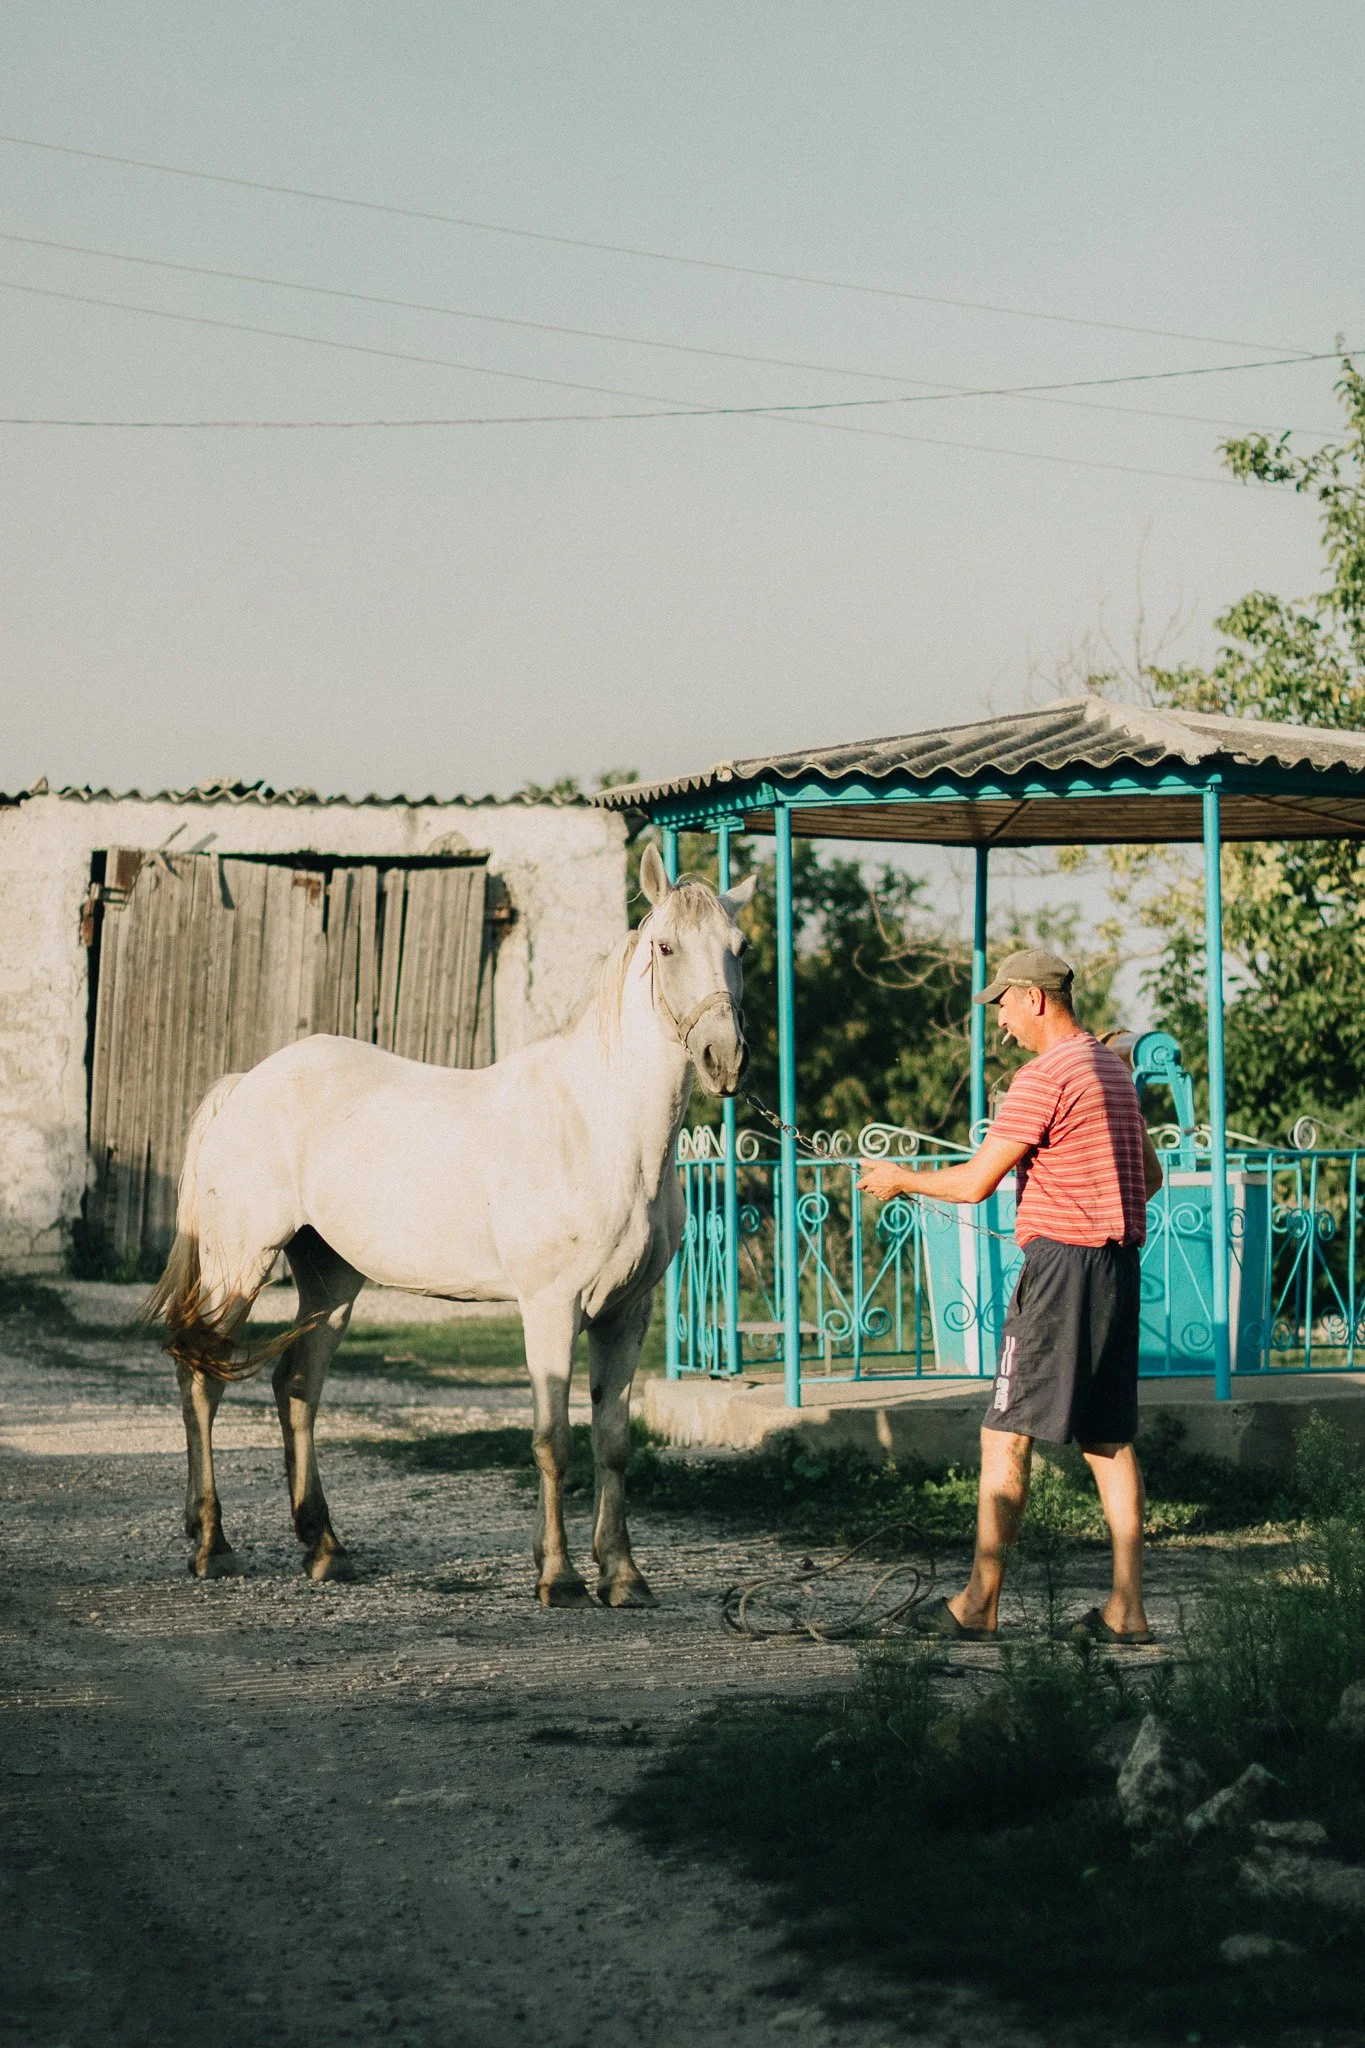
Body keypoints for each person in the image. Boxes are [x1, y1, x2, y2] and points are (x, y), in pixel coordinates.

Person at [859, 948, 1164, 1644]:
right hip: (1116, 1268)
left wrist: (900, 1179)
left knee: (1003, 1434)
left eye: (1001, 1005)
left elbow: (972, 1184)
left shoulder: (1043, 1075)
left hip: (1060, 1271)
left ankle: (977, 1605)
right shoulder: (1112, 1073)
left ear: (1033, 998)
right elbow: (1147, 1179)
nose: (999, 1022)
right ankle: (1127, 1611)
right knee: (1107, 1439)